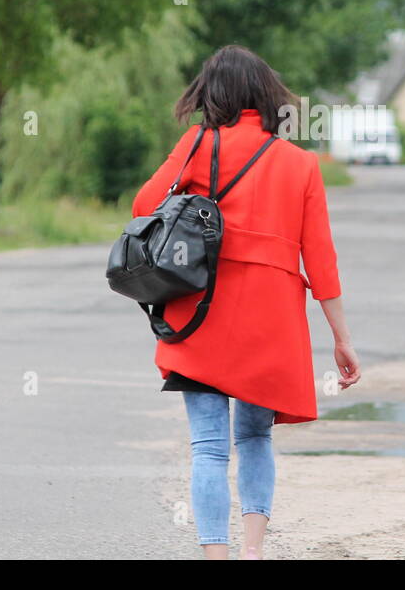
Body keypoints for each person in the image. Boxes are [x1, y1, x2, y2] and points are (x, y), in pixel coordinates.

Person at [130, 45, 361, 560]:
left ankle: (217, 556)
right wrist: (341, 340)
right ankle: (253, 552)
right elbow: (321, 261)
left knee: (208, 448)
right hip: (271, 321)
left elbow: (144, 207)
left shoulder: (197, 145)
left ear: (211, 93)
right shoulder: (300, 164)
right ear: (265, 95)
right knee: (255, 439)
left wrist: (193, 200)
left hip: (200, 313)